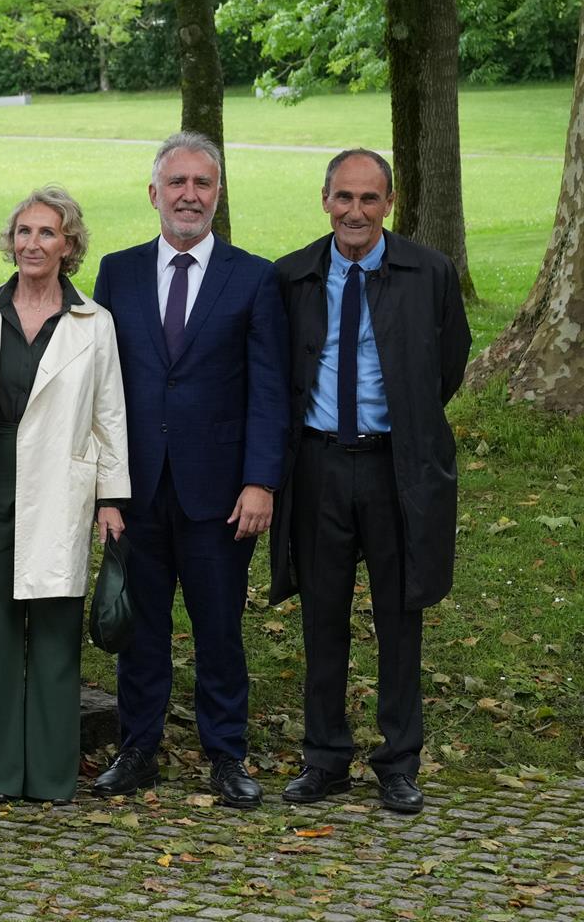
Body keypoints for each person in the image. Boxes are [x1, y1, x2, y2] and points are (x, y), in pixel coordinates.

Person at [89, 133, 289, 808]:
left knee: (219, 630)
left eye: (203, 183)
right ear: (154, 194)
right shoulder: (116, 273)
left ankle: (226, 754)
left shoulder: (254, 276)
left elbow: (269, 387)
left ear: (218, 194)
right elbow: (99, 386)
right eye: (177, 183)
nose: (189, 195)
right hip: (136, 490)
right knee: (139, 630)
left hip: (221, 494)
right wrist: (103, 490)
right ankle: (138, 749)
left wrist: (261, 480)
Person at [273, 149, 470, 815]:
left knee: (399, 617)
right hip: (320, 465)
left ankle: (398, 761)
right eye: (343, 197)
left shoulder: (429, 273)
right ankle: (324, 757)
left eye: (369, 198)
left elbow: (447, 365)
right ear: (323, 200)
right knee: (322, 617)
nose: (355, 211)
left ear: (389, 203)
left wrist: (404, 428)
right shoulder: (294, 276)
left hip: (396, 467)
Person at [0, 187, 129, 803]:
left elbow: (110, 416)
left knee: (54, 630)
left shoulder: (93, 322)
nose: (32, 244)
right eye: (23, 232)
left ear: (69, 245)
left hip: (61, 486)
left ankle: (50, 776)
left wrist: (111, 497)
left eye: (47, 233)